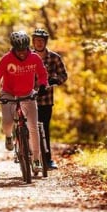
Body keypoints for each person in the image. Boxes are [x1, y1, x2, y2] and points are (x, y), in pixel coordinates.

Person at [0, 31, 48, 170]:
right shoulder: (6, 59)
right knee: (7, 121)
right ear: (13, 47)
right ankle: (9, 136)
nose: (21, 53)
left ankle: (36, 160)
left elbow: (42, 73)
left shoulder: (34, 58)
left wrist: (43, 85)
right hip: (9, 94)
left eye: (24, 49)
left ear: (28, 46)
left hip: (28, 94)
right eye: (18, 50)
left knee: (33, 127)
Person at [32, 28, 68, 170]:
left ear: (45, 42)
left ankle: (47, 160)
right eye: (36, 41)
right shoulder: (27, 56)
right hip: (28, 97)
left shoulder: (54, 57)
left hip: (46, 99)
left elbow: (63, 75)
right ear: (33, 42)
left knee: (44, 129)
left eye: (41, 41)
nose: (39, 43)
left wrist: (55, 81)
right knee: (29, 128)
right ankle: (28, 154)